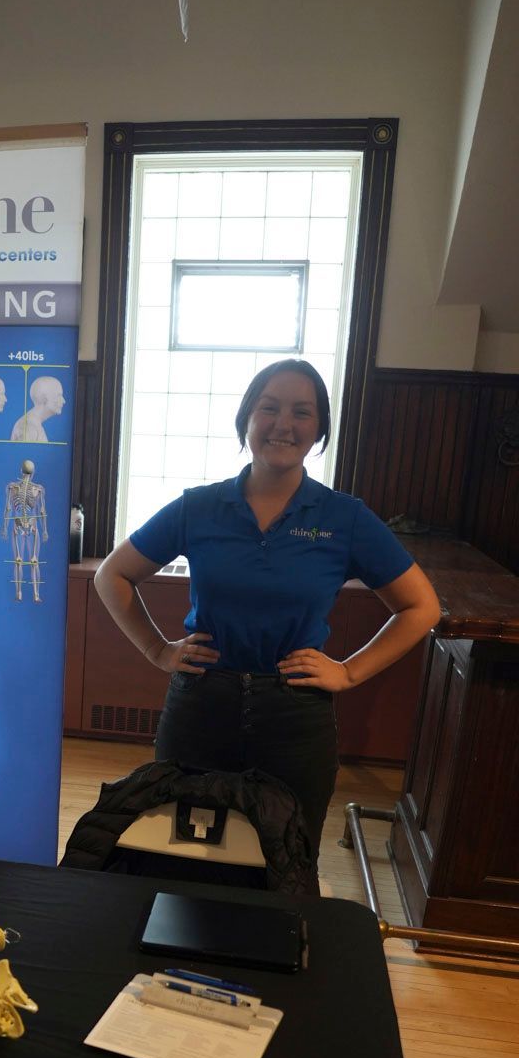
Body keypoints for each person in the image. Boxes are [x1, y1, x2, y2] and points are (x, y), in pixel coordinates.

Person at [93, 359, 441, 890]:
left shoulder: (342, 517)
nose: (284, 424)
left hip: (295, 717)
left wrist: (348, 673)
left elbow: (421, 607)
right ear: (246, 420)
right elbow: (113, 575)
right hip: (201, 707)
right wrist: (158, 651)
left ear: (320, 428)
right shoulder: (200, 507)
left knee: (287, 862)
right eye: (269, 408)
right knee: (179, 853)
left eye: (303, 412)